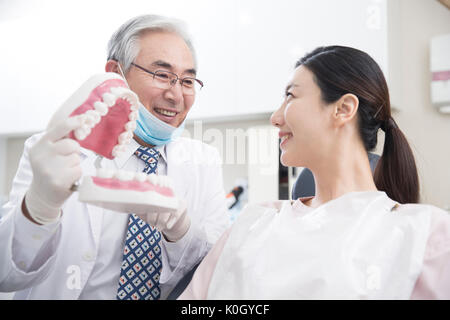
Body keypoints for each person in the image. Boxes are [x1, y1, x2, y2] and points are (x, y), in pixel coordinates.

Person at [179, 46, 450, 299]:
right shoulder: (253, 223)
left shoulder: (425, 233)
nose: (275, 117)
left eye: (290, 96)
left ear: (343, 109)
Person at [0, 14, 229, 300]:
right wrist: (39, 208)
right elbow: (6, 274)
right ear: (115, 73)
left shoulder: (204, 162)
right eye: (162, 75)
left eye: (187, 80)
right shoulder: (54, 152)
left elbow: (215, 275)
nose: (176, 94)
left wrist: (181, 231)